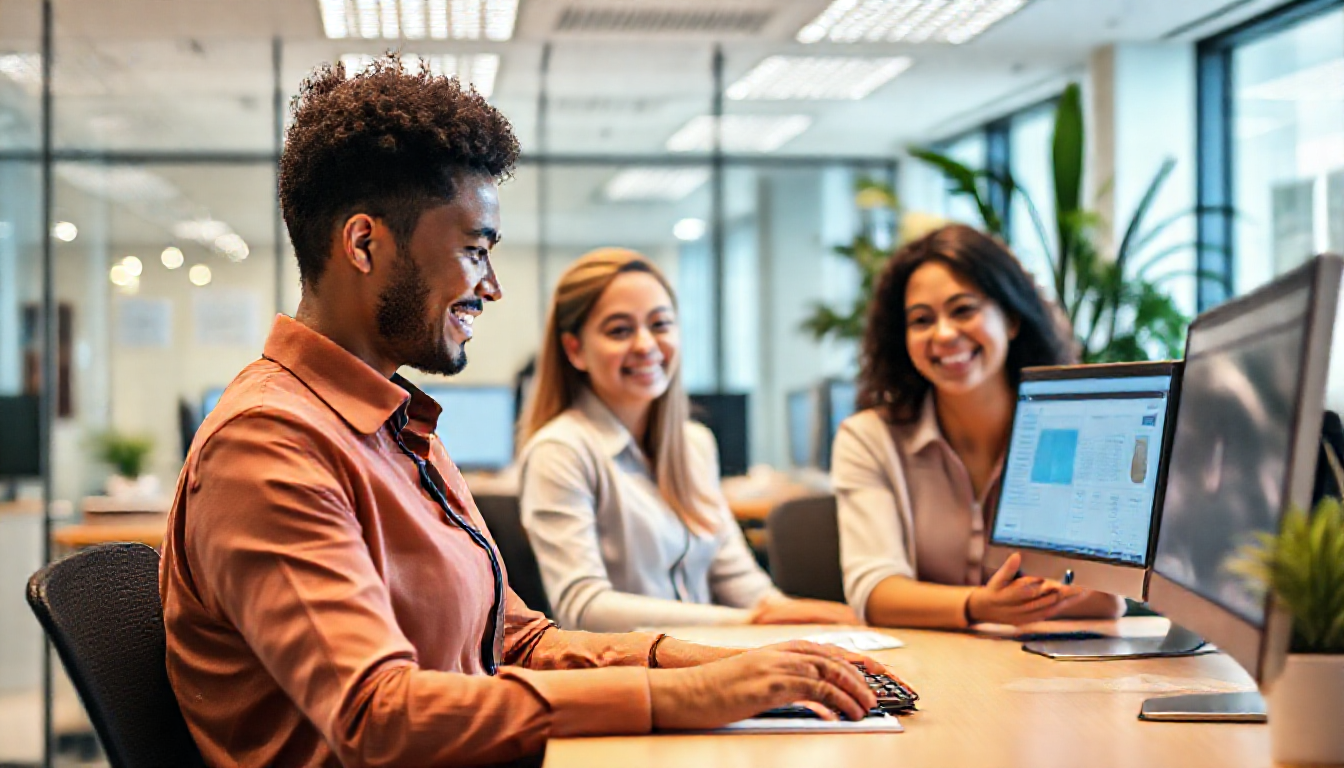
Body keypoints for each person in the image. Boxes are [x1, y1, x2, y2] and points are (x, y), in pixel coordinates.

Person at [158, 57, 889, 768]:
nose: (492, 286)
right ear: (363, 243)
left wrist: (718, 664)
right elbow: (378, 718)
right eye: (475, 250)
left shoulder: (394, 426)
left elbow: (517, 640)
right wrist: (686, 693)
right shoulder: (269, 444)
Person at [517, 248, 859, 632]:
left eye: (660, 325)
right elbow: (584, 607)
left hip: (709, 661)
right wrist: (748, 621)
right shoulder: (561, 451)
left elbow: (739, 580)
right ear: (575, 350)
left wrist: (804, 623)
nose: (646, 345)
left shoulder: (694, 445)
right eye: (619, 330)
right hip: (631, 675)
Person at [832, 224, 1125, 629]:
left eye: (963, 310)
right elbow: (876, 593)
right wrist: (978, 606)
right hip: (924, 668)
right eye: (921, 320)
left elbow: (1103, 599)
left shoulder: (1074, 429)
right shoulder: (868, 439)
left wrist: (1032, 600)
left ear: (1010, 318)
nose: (945, 334)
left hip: (1043, 673)